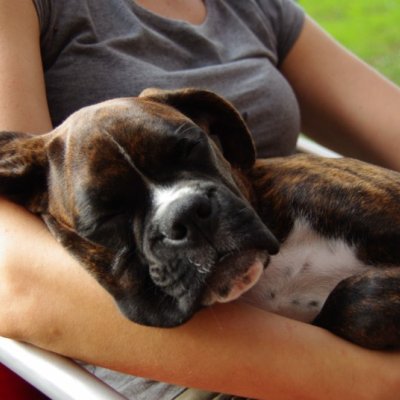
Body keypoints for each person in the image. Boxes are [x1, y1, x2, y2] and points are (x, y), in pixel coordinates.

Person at [0, 0, 399, 399]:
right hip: (182, 376)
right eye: (110, 210)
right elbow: (15, 276)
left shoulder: (250, 8)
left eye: (190, 153)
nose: (185, 211)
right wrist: (372, 379)